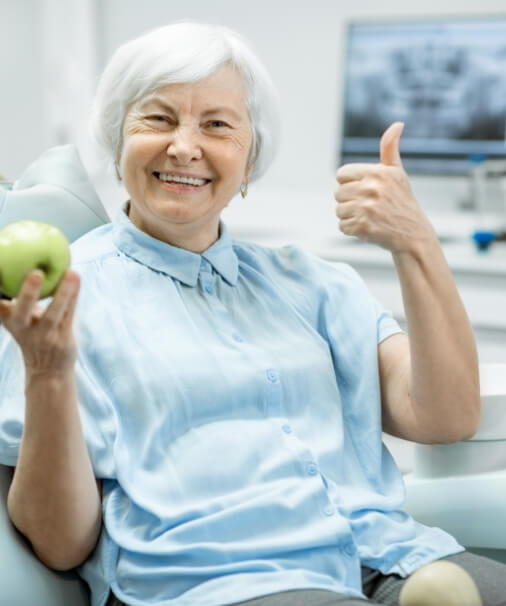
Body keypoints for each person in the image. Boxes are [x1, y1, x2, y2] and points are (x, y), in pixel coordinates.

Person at [0, 21, 505, 606]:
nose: (184, 146)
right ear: (118, 141)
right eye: (158, 118)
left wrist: (416, 243)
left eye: (216, 125)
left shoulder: (313, 282)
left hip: (389, 555)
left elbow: (445, 417)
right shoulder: (60, 307)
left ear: (251, 157)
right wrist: (49, 372)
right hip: (226, 583)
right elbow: (60, 545)